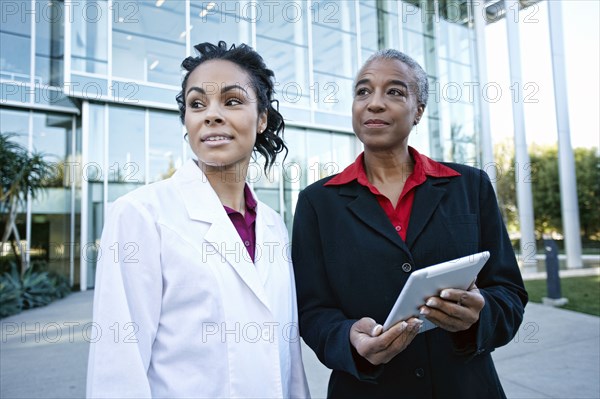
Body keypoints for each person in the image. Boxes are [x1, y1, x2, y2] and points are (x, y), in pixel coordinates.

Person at [292, 49, 528, 398]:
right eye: (363, 91)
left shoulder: (470, 186)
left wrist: (481, 315)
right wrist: (348, 338)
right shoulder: (317, 202)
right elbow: (311, 310)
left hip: (466, 387)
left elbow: (509, 292)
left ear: (418, 111)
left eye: (395, 91)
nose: (374, 103)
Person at [87, 41, 310, 399]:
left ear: (263, 118)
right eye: (197, 104)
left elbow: (285, 354)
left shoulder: (273, 224)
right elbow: (118, 364)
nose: (211, 115)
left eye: (232, 101)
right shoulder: (141, 214)